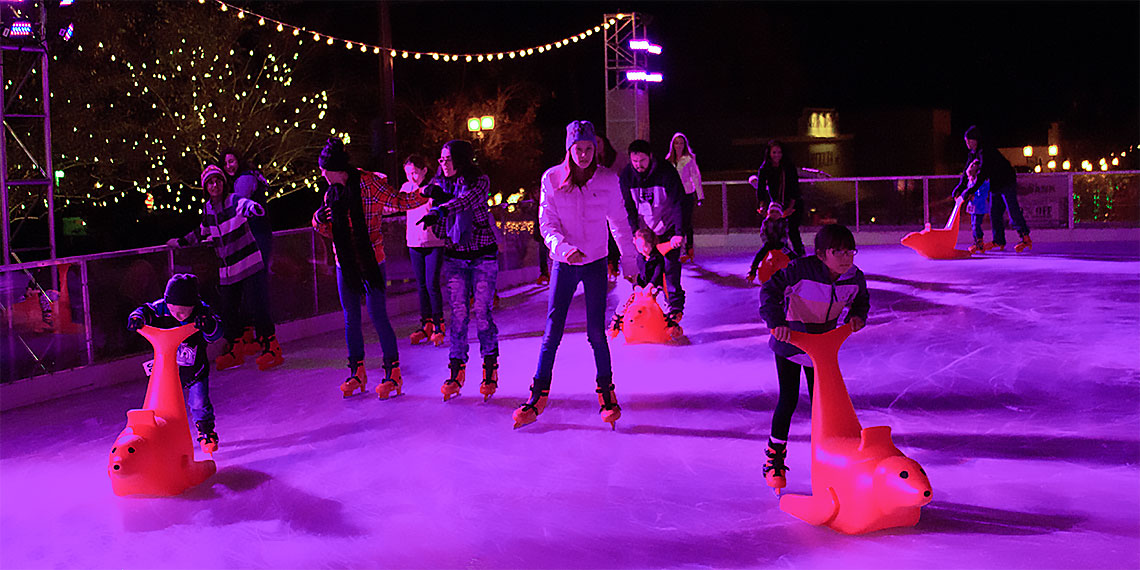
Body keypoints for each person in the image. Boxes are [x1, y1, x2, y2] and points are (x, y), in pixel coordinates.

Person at [513, 120, 636, 430]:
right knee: (552, 329)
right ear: (569, 149)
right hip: (565, 263)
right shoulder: (551, 179)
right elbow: (547, 224)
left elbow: (619, 224)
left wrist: (630, 263)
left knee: (596, 332)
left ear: (596, 150)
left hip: (595, 261)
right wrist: (565, 249)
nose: (583, 155)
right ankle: (538, 393)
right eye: (578, 149)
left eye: (589, 149)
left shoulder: (607, 180)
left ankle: (607, 393)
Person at [312, 137, 428, 400]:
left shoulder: (368, 183)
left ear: (336, 169)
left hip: (372, 260)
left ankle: (393, 373)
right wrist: (317, 220)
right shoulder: (332, 193)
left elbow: (399, 201)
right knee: (350, 318)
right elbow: (330, 231)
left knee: (378, 315)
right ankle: (357, 372)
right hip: (346, 264)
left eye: (323, 169)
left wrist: (425, 195)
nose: (321, 174)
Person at [758, 223, 869, 494]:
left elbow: (861, 300)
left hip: (823, 348)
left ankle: (837, 459)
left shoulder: (854, 277)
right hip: (792, 344)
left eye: (850, 252)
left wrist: (857, 316)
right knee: (789, 398)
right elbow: (769, 293)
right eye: (838, 252)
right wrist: (777, 321)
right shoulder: (800, 270)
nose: (846, 258)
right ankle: (774, 458)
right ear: (821, 254)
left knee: (825, 403)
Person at [168, 164, 282, 372]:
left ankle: (271, 347)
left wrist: (255, 208)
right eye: (210, 182)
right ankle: (235, 348)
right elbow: (202, 230)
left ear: (224, 183)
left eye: (218, 181)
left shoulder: (233, 200)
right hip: (228, 270)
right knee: (228, 310)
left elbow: (245, 205)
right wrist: (181, 242)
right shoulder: (208, 209)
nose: (215, 185)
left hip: (249, 264)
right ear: (205, 188)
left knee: (258, 306)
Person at [416, 140, 500, 403]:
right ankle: (456, 370)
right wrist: (435, 214)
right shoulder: (440, 187)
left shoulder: (479, 182)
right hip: (455, 258)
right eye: (440, 159)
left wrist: (441, 207)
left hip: (482, 256)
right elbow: (441, 233)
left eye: (448, 158)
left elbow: (466, 202)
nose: (443, 163)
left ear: (462, 159)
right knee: (459, 315)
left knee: (483, 313)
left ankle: (489, 368)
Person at [126, 273, 224, 453]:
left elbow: (216, 333)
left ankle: (206, 432)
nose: (176, 314)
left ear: (192, 305)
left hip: (195, 370)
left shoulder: (202, 312)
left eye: (182, 311)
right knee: (159, 403)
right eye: (172, 309)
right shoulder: (161, 307)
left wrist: (208, 325)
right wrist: (136, 318)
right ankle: (155, 434)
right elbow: (145, 310)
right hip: (166, 372)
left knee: (198, 403)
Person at [619, 139, 687, 327]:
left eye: (642, 160)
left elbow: (678, 203)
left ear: (650, 157)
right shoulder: (626, 176)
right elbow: (629, 207)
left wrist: (679, 232)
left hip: (668, 229)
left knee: (670, 269)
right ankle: (647, 310)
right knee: (646, 270)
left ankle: (674, 311)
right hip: (646, 232)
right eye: (635, 161)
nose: (638, 165)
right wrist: (635, 233)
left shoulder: (666, 172)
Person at [220, 148, 274, 357]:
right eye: (226, 163)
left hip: (256, 235)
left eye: (231, 161)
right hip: (255, 235)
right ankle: (251, 334)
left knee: (255, 286)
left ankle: (265, 336)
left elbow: (238, 207)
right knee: (249, 287)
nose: (229, 166)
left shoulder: (244, 179)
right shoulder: (247, 178)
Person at [951, 125, 1032, 252]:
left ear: (975, 140)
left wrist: (969, 191)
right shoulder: (973, 153)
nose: (967, 143)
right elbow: (966, 173)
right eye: (966, 140)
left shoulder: (985, 151)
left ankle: (1025, 238)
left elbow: (982, 174)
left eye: (969, 140)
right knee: (995, 212)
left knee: (1012, 210)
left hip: (1006, 181)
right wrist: (960, 187)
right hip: (995, 185)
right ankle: (999, 241)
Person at [400, 153, 447, 344]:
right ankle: (425, 323)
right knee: (421, 286)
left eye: (415, 173)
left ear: (424, 171)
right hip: (414, 243)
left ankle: (438, 324)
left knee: (431, 284)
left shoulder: (433, 188)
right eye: (408, 173)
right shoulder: (406, 188)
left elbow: (441, 206)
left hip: (433, 242)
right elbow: (396, 205)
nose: (412, 177)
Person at [756, 140, 806, 257]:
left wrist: (790, 207)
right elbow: (761, 188)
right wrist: (762, 205)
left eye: (779, 152)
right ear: (769, 153)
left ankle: (800, 256)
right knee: (778, 232)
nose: (777, 155)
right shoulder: (765, 168)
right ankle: (783, 258)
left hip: (793, 203)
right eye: (774, 152)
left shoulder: (788, 167)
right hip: (777, 204)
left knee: (793, 230)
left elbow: (794, 186)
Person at [666, 132, 704, 262]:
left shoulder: (689, 160)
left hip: (687, 193)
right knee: (676, 222)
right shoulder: (668, 160)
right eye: (677, 143)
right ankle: (678, 248)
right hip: (673, 194)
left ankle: (689, 249)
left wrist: (700, 195)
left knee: (686, 222)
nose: (679, 145)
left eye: (681, 143)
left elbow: (696, 177)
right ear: (673, 145)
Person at [746, 201, 798, 283]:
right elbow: (763, 233)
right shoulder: (766, 222)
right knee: (760, 255)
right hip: (769, 244)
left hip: (780, 244)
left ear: (780, 214)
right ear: (769, 213)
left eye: (776, 212)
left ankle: (799, 269)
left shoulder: (783, 222)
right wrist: (766, 242)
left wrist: (782, 242)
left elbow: (785, 233)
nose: (774, 214)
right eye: (772, 212)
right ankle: (753, 271)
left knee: (792, 255)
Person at [957, 159, 994, 253]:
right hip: (973, 207)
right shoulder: (971, 181)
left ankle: (979, 243)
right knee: (974, 224)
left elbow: (983, 194)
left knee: (976, 225)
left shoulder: (983, 182)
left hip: (979, 207)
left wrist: (974, 198)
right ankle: (977, 242)